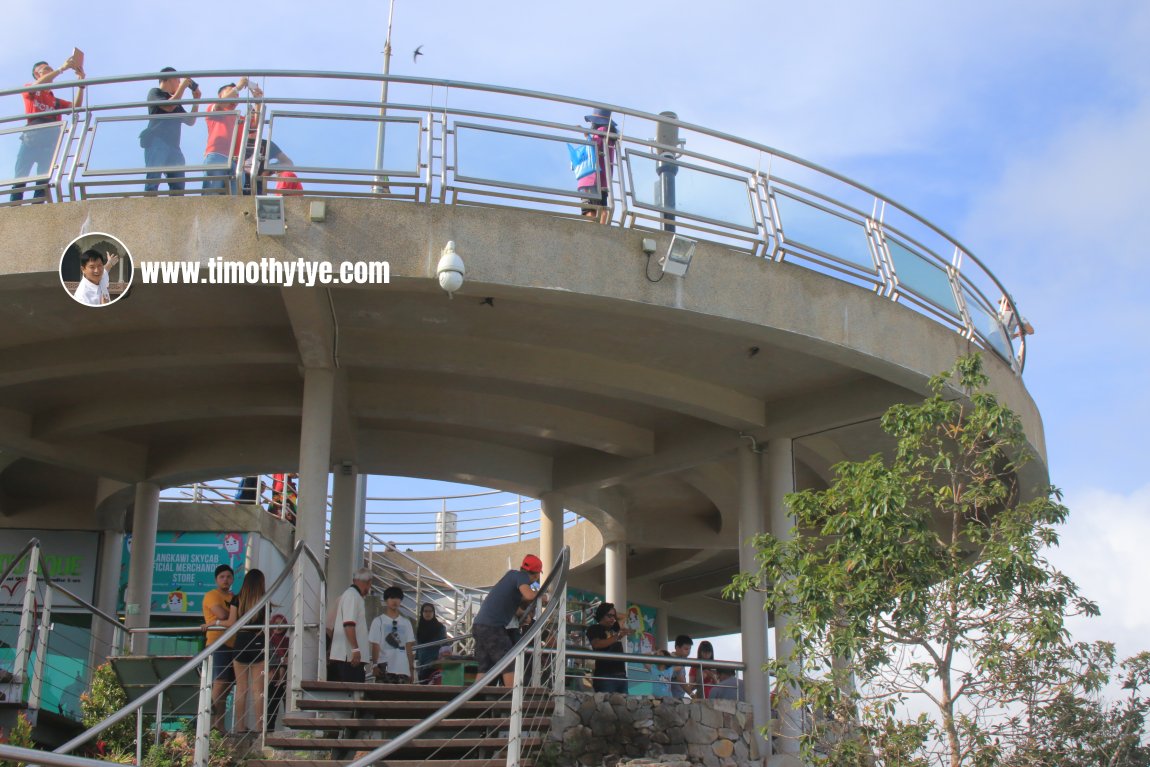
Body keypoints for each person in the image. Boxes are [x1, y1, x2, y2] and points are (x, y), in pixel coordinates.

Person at [11, 54, 85, 202]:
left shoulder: (55, 101)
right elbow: (38, 85)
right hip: (30, 140)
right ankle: (15, 206)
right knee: (20, 177)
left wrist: (81, 83)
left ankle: (37, 207)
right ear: (37, 74)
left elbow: (76, 107)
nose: (50, 71)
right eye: (46, 69)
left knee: (43, 181)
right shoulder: (30, 89)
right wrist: (61, 69)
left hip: (49, 143)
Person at [471, 554, 543, 687]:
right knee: (509, 661)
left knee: (485, 668)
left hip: (479, 626)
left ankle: (472, 701)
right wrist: (544, 596)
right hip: (492, 627)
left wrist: (524, 614)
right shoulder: (521, 576)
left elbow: (512, 604)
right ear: (537, 574)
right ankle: (511, 700)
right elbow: (529, 595)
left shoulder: (511, 577)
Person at [142, 67, 200, 193]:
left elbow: (190, 121)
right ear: (169, 78)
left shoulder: (175, 101)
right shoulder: (155, 92)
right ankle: (148, 207)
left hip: (174, 146)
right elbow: (168, 106)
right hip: (157, 141)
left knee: (178, 185)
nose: (180, 83)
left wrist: (196, 100)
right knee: (153, 179)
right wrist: (183, 87)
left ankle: (177, 211)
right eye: (178, 80)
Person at [230, 568, 267, 733]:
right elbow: (266, 626)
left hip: (241, 640)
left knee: (241, 687)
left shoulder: (236, 599)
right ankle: (260, 727)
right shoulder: (264, 600)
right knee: (258, 689)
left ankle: (239, 726)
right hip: (258, 641)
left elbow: (232, 622)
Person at [202, 564, 237, 733]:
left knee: (227, 686)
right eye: (222, 577)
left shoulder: (234, 597)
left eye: (229, 577)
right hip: (217, 642)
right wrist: (229, 615)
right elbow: (224, 615)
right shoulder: (211, 595)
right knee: (220, 682)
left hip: (233, 643)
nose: (226, 580)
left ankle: (220, 725)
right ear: (216, 579)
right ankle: (209, 724)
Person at [203, 78, 251, 192]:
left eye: (237, 95)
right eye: (232, 93)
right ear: (221, 96)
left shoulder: (238, 117)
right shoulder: (214, 108)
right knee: (212, 194)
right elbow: (219, 105)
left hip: (235, 160)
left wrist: (258, 99)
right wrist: (237, 87)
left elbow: (254, 123)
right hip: (216, 155)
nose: (235, 97)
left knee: (235, 198)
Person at [328, 567, 372, 682]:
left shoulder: (351, 596)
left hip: (347, 657)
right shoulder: (352, 596)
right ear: (368, 582)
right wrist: (355, 649)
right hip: (348, 658)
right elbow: (349, 624)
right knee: (352, 692)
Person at [578, 108, 618, 225]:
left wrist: (587, 136)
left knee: (589, 207)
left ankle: (593, 229)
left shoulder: (601, 132)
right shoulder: (611, 137)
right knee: (601, 204)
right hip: (604, 177)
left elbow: (594, 146)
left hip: (592, 176)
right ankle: (601, 226)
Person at [369, 586, 416, 683]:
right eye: (391, 598)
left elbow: (408, 647)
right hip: (384, 666)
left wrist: (411, 669)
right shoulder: (378, 621)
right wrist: (374, 665)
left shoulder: (406, 622)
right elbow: (375, 646)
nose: (395, 601)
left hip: (403, 668)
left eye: (398, 598)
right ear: (386, 600)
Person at [586, 602, 628, 694]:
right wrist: (617, 636)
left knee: (624, 707)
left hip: (621, 675)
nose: (613, 619)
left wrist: (613, 614)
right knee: (605, 706)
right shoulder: (594, 628)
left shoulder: (615, 627)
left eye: (614, 616)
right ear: (602, 615)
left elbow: (624, 616)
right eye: (609, 616)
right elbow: (597, 644)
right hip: (605, 676)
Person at [415, 602, 447, 683]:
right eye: (425, 611)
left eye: (430, 611)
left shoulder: (440, 627)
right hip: (421, 665)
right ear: (422, 613)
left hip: (434, 663)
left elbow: (444, 643)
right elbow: (418, 646)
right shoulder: (419, 628)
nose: (428, 613)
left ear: (434, 613)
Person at [266, 613, 288, 729]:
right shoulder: (268, 641)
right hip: (272, 677)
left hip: (287, 678)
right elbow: (270, 660)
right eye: (275, 623)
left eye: (282, 623)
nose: (278, 626)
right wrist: (283, 660)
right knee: (271, 706)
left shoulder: (288, 640)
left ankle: (290, 729)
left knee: (288, 704)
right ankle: (269, 730)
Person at [670, 634, 694, 699]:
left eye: (689, 649)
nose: (688, 652)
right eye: (686, 649)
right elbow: (681, 681)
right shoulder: (675, 660)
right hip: (673, 698)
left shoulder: (681, 659)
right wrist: (693, 695)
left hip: (677, 696)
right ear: (677, 648)